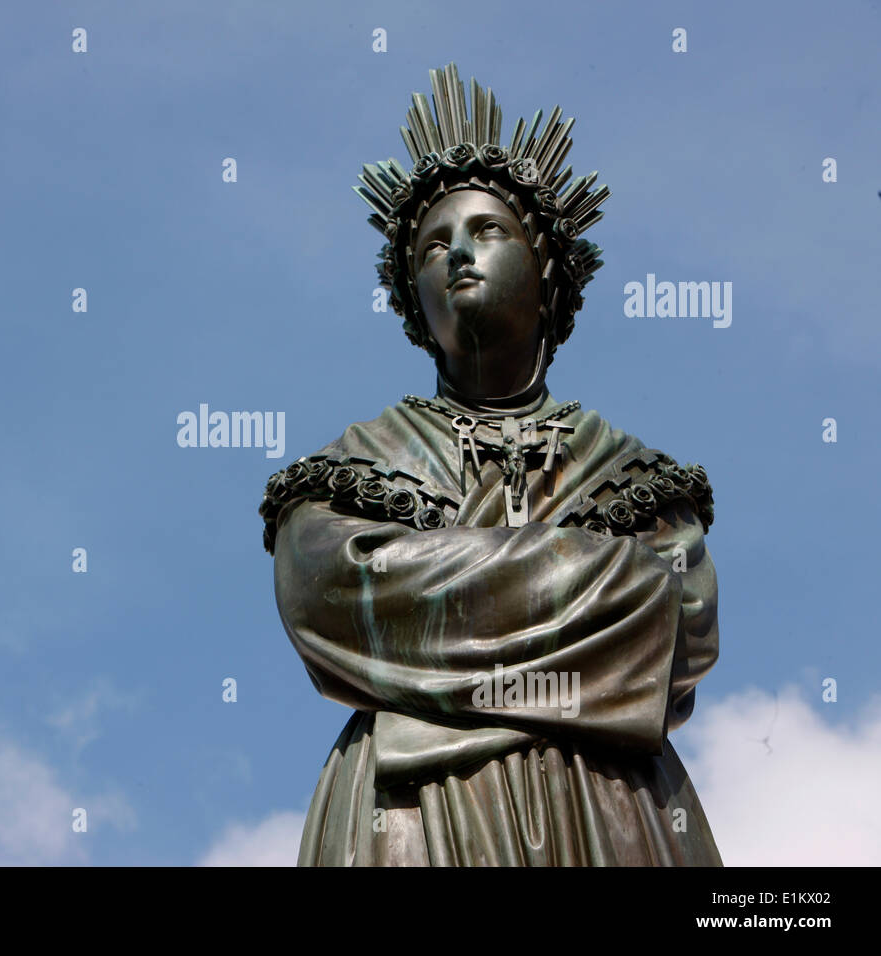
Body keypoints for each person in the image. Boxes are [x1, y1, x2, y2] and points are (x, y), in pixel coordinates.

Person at [259, 64, 722, 866]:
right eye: (434, 247)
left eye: (487, 231)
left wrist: (428, 642)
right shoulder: (359, 462)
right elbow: (327, 596)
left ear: (545, 271)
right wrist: (589, 585)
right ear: (413, 299)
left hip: (607, 805)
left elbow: (677, 622)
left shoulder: (634, 473)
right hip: (406, 816)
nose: (458, 256)